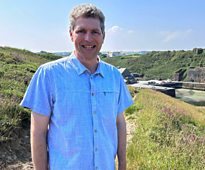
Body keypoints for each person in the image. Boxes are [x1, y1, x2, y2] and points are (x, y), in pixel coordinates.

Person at [20, 4, 133, 170]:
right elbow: (38, 132)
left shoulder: (114, 76)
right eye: (81, 31)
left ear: (103, 36)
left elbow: (119, 123)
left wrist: (122, 165)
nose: (88, 38)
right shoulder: (48, 74)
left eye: (95, 32)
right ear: (71, 34)